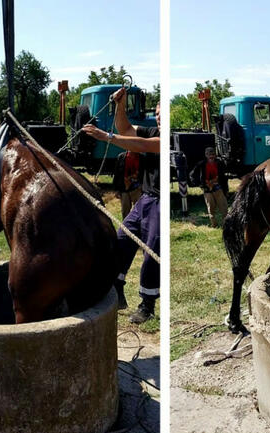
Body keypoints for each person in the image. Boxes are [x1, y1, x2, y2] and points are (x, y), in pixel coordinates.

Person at [82, 87, 160, 324]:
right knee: (120, 240)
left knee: (151, 253)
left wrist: (106, 137)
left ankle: (147, 305)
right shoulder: (151, 130)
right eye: (156, 112)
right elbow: (125, 129)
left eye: (162, 113)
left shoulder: (165, 138)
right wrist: (120, 105)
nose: (158, 116)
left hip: (159, 200)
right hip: (145, 198)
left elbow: (144, 146)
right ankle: (117, 291)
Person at [190, 147, 229, 227]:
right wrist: (200, 184)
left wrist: (226, 189)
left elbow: (224, 177)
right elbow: (192, 175)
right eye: (209, 154)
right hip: (207, 189)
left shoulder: (220, 163)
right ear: (206, 155)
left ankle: (226, 224)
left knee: (224, 207)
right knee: (211, 208)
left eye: (213, 154)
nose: (211, 156)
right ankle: (214, 224)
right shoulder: (201, 164)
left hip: (218, 188)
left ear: (215, 155)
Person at [113, 150, 143, 219]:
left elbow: (144, 174)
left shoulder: (141, 158)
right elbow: (117, 173)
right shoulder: (121, 157)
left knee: (139, 210)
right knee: (125, 211)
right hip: (124, 188)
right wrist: (116, 189)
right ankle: (126, 228)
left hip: (137, 188)